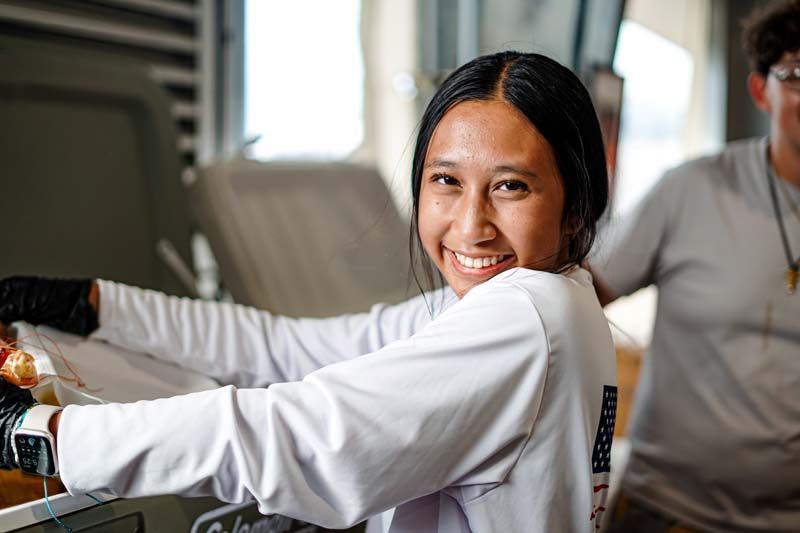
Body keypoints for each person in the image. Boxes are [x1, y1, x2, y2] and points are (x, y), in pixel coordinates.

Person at [0, 51, 616, 533]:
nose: (469, 224)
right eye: (446, 180)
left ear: (575, 205)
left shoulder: (524, 318)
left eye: (510, 187)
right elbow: (290, 347)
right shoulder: (542, 302)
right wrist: (94, 302)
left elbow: (305, 437)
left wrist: (47, 435)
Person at [592, 1, 800, 531]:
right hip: (668, 510)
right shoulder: (692, 189)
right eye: (797, 76)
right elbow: (582, 293)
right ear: (762, 91)